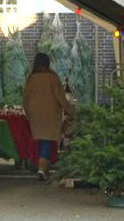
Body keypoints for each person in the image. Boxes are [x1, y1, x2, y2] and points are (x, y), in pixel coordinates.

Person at [23, 53, 74, 181]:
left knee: (41, 140)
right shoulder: (53, 78)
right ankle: (41, 169)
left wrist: (28, 112)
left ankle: (44, 168)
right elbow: (61, 98)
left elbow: (25, 98)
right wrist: (71, 111)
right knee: (47, 140)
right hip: (51, 112)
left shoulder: (31, 78)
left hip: (34, 112)